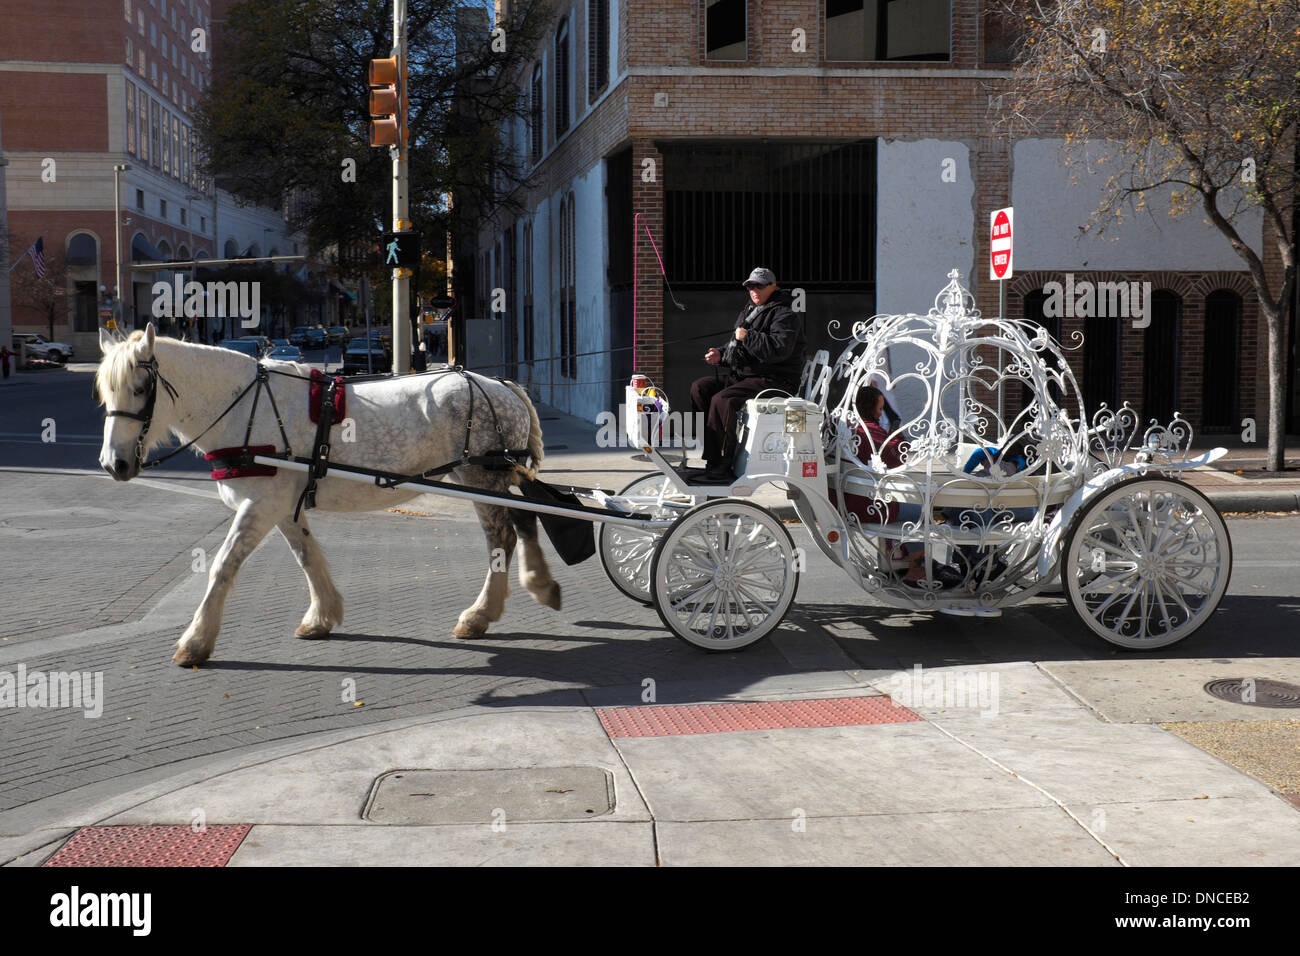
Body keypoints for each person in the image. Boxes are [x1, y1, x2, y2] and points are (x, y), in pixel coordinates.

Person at [690, 267, 806, 482]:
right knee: (700, 388)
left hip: (775, 379)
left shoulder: (785, 314)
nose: (754, 290)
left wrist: (748, 336)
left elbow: (778, 350)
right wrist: (721, 355)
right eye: (750, 286)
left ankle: (722, 464)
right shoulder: (751, 310)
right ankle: (710, 455)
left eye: (759, 286)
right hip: (749, 376)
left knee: (722, 399)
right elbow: (738, 346)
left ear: (773, 286)